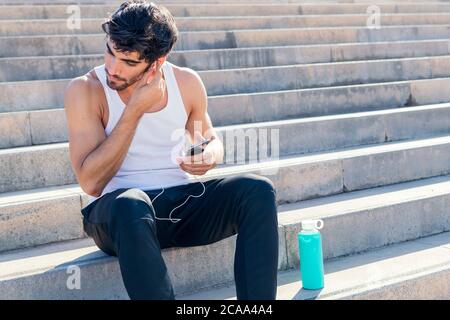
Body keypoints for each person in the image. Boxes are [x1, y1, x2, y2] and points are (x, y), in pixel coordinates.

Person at [64, 0, 278, 300]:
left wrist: (209, 156)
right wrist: (135, 110)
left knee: (257, 189)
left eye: (128, 61)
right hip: (118, 216)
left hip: (178, 205)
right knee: (131, 203)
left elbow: (211, 140)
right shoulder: (86, 89)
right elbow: (91, 182)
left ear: (157, 62)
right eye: (110, 52)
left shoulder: (186, 83)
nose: (113, 68)